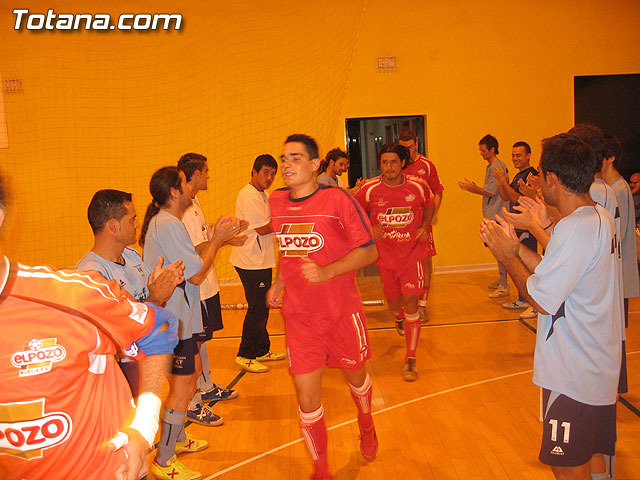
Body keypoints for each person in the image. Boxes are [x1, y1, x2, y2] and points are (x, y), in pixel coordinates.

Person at [0, 175, 178, 480]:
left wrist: (144, 426)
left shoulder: (70, 296)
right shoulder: (92, 269)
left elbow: (156, 327)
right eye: (132, 218)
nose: (138, 224)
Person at [480, 133, 622, 480]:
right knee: (594, 459)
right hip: (596, 368)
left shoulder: (574, 229)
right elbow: (555, 269)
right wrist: (516, 249)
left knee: (567, 466)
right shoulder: (596, 217)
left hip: (572, 375)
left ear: (553, 179)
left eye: (541, 174)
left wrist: (506, 258)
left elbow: (541, 299)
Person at [266, 134, 379, 479]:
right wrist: (280, 280)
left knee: (356, 377)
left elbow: (370, 251)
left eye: (296, 158)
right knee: (306, 399)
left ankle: (366, 420)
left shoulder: (338, 200)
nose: (286, 165)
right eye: (284, 158)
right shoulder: (276, 202)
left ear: (315, 165)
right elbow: (284, 248)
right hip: (300, 318)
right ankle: (322, 470)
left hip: (342, 312)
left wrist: (327, 271)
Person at [139, 166, 243, 480]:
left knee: (192, 374)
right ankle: (164, 458)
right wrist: (217, 241)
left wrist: (218, 241)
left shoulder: (170, 223)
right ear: (174, 191)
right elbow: (197, 273)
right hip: (173, 321)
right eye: (185, 182)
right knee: (183, 387)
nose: (191, 186)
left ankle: (179, 438)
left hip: (182, 317)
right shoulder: (167, 223)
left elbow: (191, 263)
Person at [77, 189, 185, 400]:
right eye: (132, 219)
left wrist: (161, 286)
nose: (137, 224)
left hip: (144, 363)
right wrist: (156, 299)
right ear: (113, 226)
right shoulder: (91, 275)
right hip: (117, 380)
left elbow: (146, 305)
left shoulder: (131, 255)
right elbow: (116, 337)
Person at [355, 143, 434, 381]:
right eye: (384, 162)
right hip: (385, 257)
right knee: (393, 302)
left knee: (412, 305)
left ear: (402, 164)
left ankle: (410, 359)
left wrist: (423, 226)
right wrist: (370, 228)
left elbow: (429, 205)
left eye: (393, 162)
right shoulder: (370, 189)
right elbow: (355, 211)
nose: (389, 167)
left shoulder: (418, 186)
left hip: (412, 254)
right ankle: (397, 316)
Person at [178, 153, 240, 417]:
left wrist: (224, 237)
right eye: (206, 171)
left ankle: (206, 387)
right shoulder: (185, 209)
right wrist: (219, 238)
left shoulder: (195, 203)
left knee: (202, 342)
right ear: (194, 175)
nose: (209, 175)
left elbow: (206, 243)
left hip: (207, 284)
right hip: (197, 288)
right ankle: (192, 404)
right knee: (195, 345)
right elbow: (193, 250)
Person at [230, 154, 286, 373]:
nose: (269, 177)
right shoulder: (248, 195)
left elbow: (269, 224)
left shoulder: (264, 195)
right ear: (253, 172)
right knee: (257, 308)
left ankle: (262, 349)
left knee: (264, 306)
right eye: (265, 172)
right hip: (250, 261)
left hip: (261, 260)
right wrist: (285, 218)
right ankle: (245, 354)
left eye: (273, 174)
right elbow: (263, 228)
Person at [601, 133, 638, 396]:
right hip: (612, 273)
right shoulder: (609, 188)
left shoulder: (619, 189)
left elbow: (620, 231)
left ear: (611, 158)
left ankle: (617, 382)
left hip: (618, 272)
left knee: (616, 332)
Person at [398, 130, 444, 322]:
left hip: (422, 224)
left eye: (409, 147)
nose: (406, 151)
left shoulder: (427, 165)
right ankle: (407, 303)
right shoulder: (397, 165)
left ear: (416, 145)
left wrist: (433, 214)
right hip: (401, 226)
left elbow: (438, 192)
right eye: (403, 148)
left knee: (424, 263)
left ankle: (423, 305)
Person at [459, 134, 510, 297]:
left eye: (483, 150)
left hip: (497, 215)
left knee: (499, 249)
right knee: (495, 249)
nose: (481, 153)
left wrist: (471, 188)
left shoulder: (497, 167)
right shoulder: (491, 166)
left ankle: (504, 285)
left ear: (492, 149)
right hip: (492, 213)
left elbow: (490, 191)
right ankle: (502, 280)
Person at [492, 141, 539, 314]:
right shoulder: (519, 176)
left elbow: (517, 198)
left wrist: (504, 183)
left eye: (518, 155)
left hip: (528, 227)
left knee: (526, 264)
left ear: (528, 156)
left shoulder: (531, 175)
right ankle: (522, 298)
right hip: (517, 227)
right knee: (519, 261)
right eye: (513, 155)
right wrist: (500, 182)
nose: (515, 158)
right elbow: (506, 196)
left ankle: (529, 301)